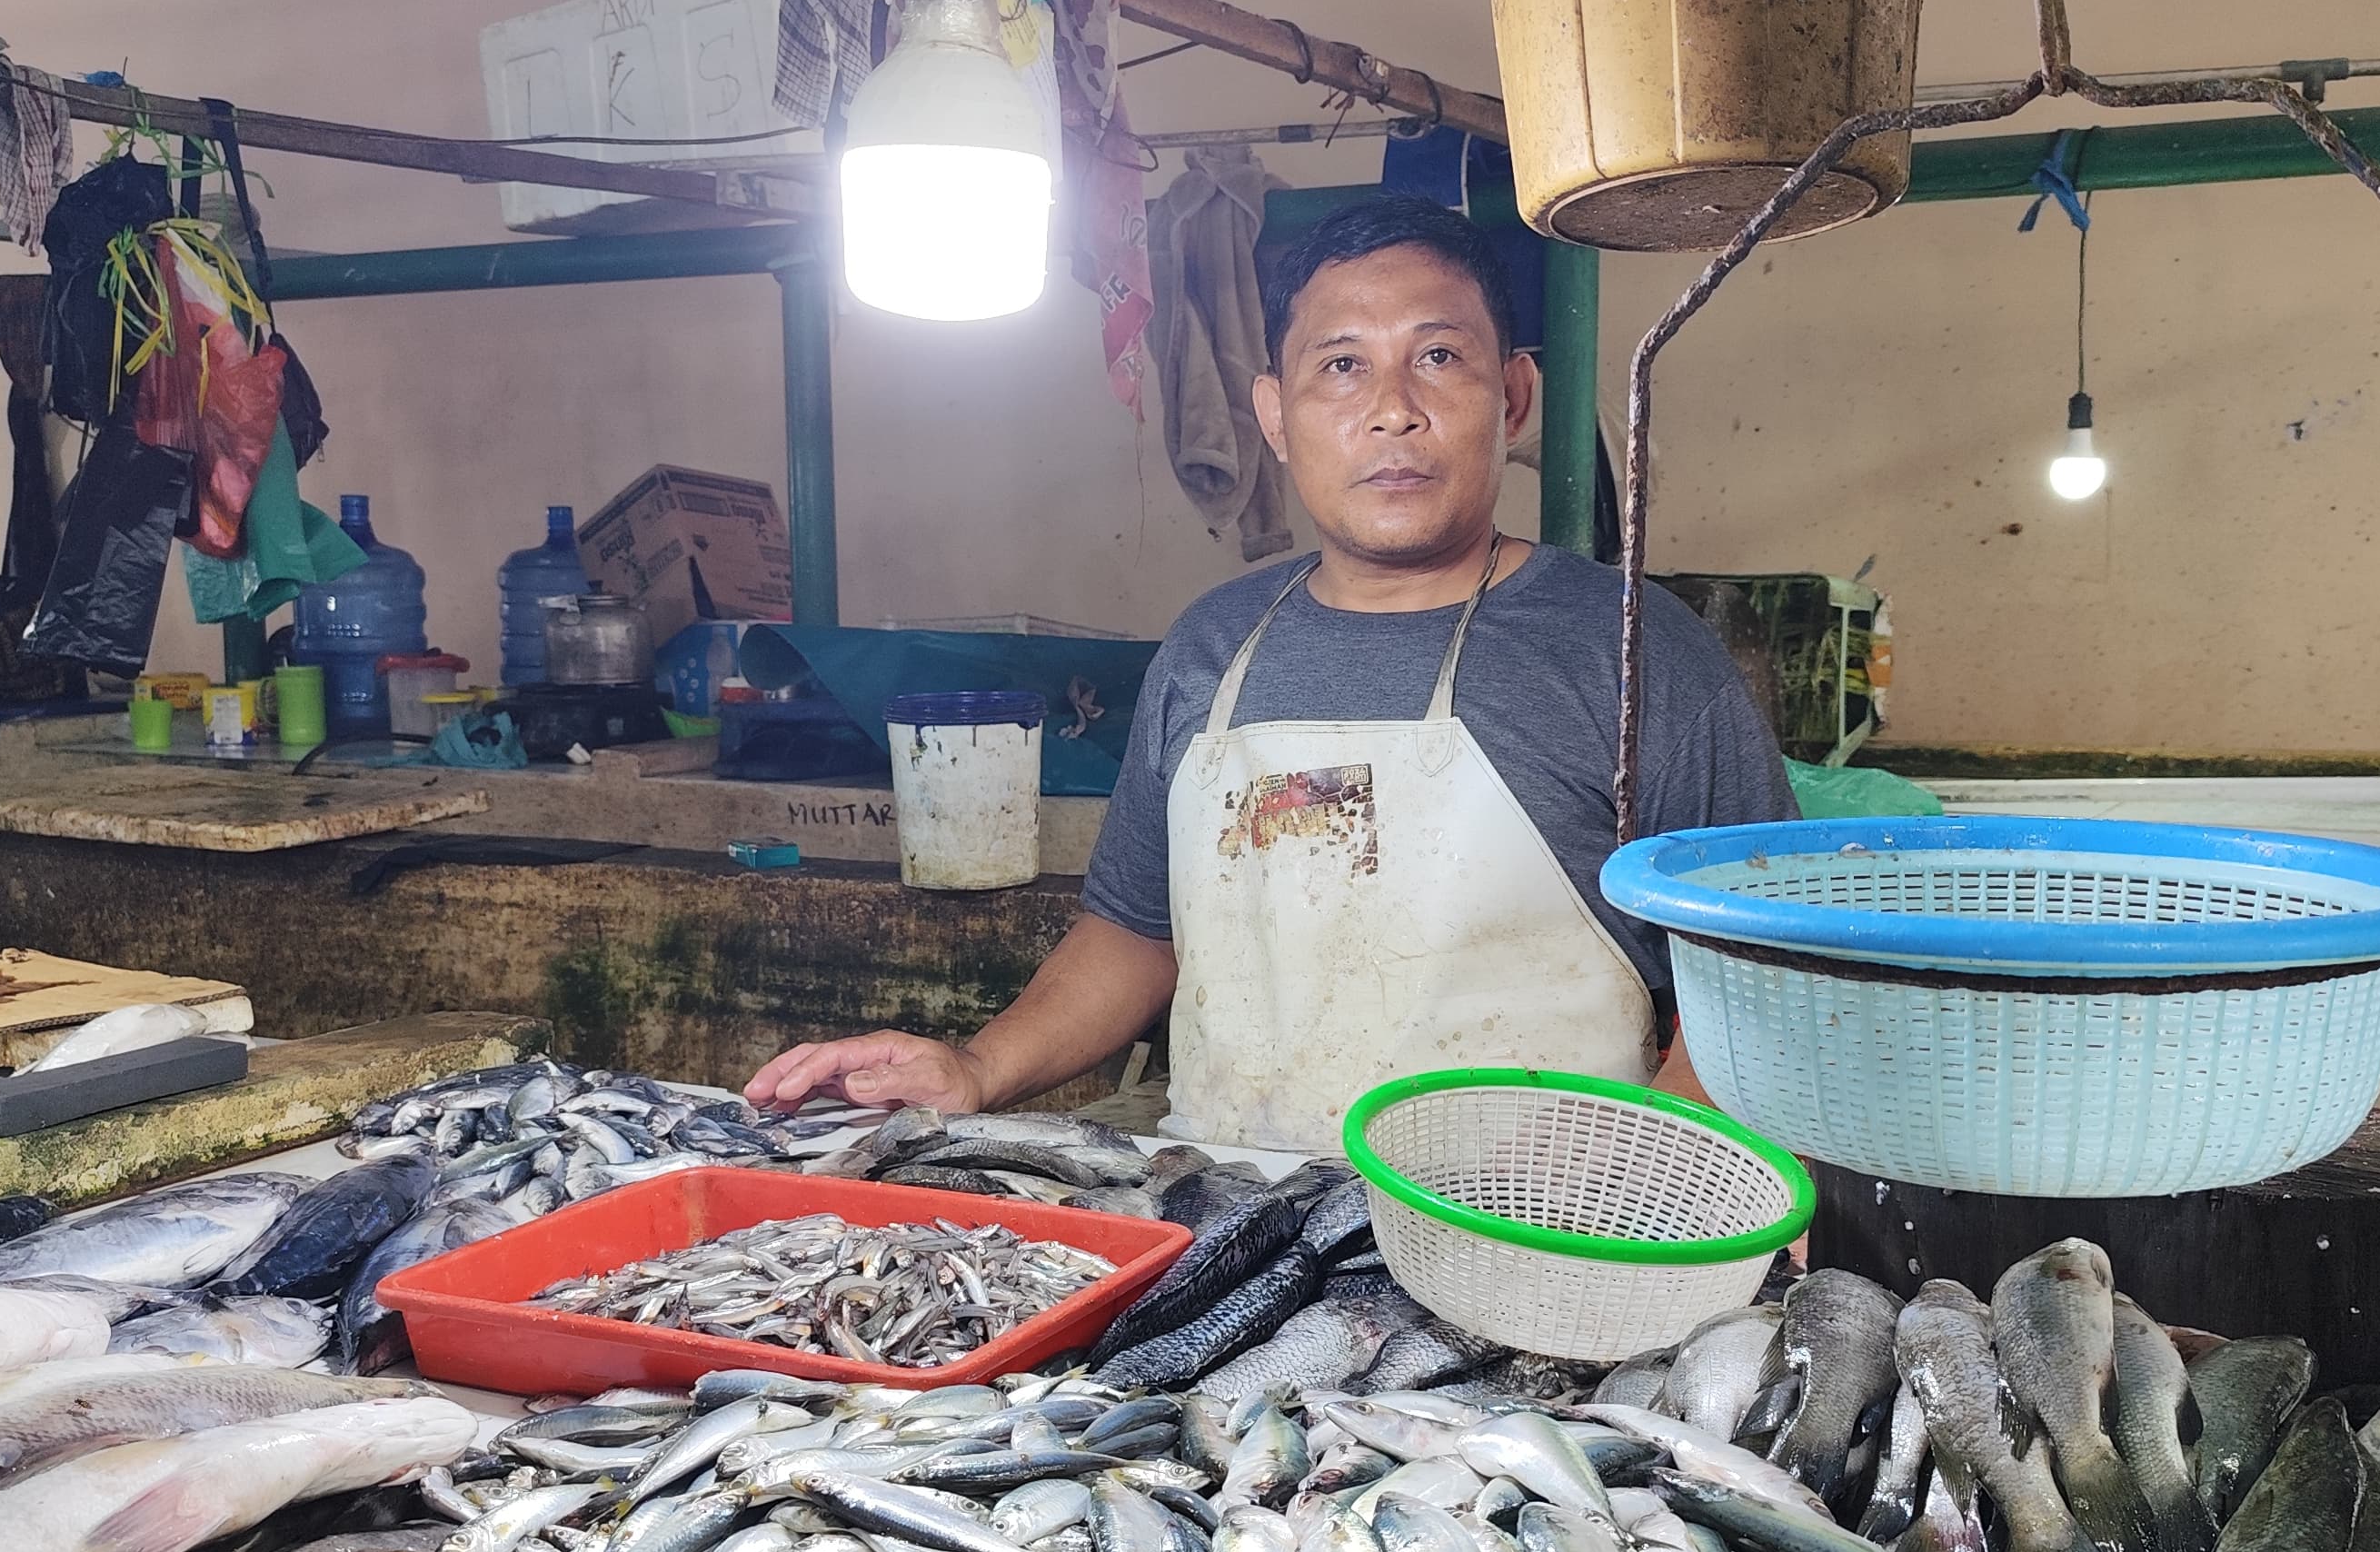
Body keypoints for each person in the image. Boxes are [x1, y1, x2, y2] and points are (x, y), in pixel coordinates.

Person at [747, 195, 1794, 1152]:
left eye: (1439, 357)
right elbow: (1134, 933)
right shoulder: (1211, 648)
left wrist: (1660, 1185)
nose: (1393, 410)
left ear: (1513, 396)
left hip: (1539, 1234)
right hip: (1237, 1222)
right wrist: (976, 1068)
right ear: (1275, 415)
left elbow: (1757, 980)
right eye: (1341, 366)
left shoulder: (1632, 653)